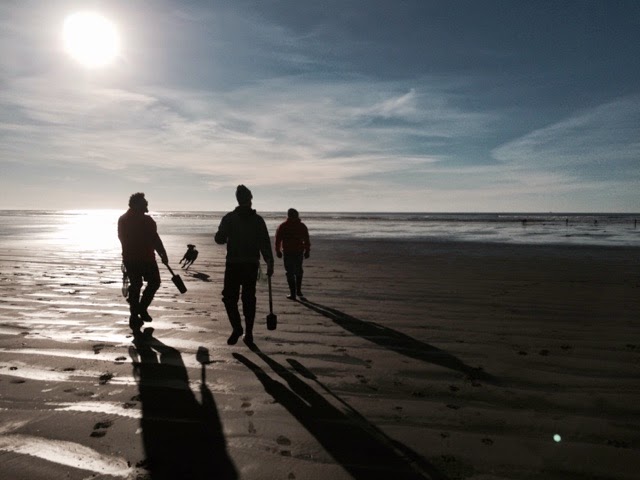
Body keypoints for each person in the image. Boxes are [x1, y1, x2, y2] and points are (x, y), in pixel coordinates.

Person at [214, 185, 274, 345]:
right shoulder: (257, 220)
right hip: (251, 265)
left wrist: (223, 235)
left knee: (229, 298)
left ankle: (237, 327)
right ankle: (248, 332)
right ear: (250, 200)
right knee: (248, 298)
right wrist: (269, 261)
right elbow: (265, 243)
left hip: (234, 264)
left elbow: (219, 239)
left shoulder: (229, 218)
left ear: (238, 199)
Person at [118, 193, 168, 331]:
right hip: (137, 259)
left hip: (141, 258)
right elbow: (125, 239)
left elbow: (154, 238)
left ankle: (139, 310)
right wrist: (161, 252)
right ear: (135, 205)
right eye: (144, 203)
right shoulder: (128, 220)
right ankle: (137, 313)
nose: (146, 205)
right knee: (140, 285)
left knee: (147, 284)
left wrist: (162, 253)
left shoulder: (131, 220)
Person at [275, 208, 310, 300]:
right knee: (296, 271)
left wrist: (278, 250)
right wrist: (307, 250)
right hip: (295, 251)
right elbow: (306, 240)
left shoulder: (283, 226)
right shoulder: (301, 226)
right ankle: (297, 291)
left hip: (290, 252)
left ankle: (294, 292)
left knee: (291, 271)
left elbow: (278, 240)